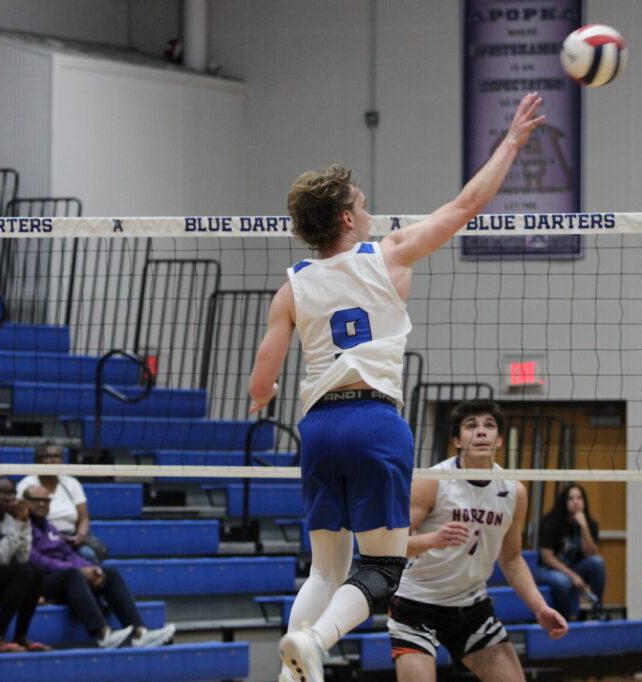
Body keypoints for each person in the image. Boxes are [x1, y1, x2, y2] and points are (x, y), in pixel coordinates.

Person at [247, 92, 544, 682]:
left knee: (326, 570)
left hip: (318, 428)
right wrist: (510, 142)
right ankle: (316, 641)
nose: (370, 211)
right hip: (374, 422)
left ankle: (292, 675)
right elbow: (468, 204)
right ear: (345, 219)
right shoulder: (386, 257)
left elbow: (260, 383)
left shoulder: (291, 289)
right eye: (363, 204)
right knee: (382, 567)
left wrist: (265, 396)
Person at [388, 399, 567, 681]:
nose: (481, 432)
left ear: (499, 441)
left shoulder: (514, 491)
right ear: (458, 440)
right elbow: (389, 545)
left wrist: (540, 607)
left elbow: (511, 559)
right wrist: (432, 539)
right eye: (471, 426)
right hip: (416, 604)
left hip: (471, 607)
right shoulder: (433, 480)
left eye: (489, 426)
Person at [24, 485, 176, 649]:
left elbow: (69, 554)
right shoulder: (22, 526)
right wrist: (81, 572)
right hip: (39, 583)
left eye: (45, 500)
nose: (41, 504)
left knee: (108, 572)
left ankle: (139, 633)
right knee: (72, 574)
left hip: (66, 577)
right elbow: (36, 559)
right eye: (36, 500)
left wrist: (92, 569)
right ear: (25, 502)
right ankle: (103, 634)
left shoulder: (49, 527)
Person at [17, 441, 104, 564]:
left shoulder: (71, 483)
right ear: (37, 461)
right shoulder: (27, 485)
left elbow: (84, 518)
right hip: (40, 537)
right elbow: (21, 519)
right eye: (47, 456)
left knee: (88, 555)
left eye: (56, 456)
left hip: (70, 538)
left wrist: (81, 535)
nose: (52, 460)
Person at [0, 476, 49, 653]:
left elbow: (23, 556)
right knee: (23, 573)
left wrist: (23, 523)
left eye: (11, 493)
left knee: (35, 572)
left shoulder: (15, 516)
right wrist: (17, 524)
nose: (7, 498)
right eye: (1, 492)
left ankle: (20, 636)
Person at [533, 484, 606, 620]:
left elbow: (590, 553)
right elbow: (547, 557)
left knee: (597, 562)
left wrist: (584, 527)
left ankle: (597, 608)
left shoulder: (590, 524)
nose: (576, 502)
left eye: (579, 498)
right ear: (564, 502)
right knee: (563, 581)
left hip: (574, 567)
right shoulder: (551, 522)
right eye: (571, 498)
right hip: (547, 569)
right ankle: (564, 620)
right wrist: (573, 576)